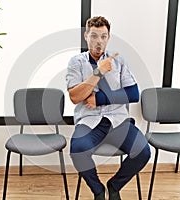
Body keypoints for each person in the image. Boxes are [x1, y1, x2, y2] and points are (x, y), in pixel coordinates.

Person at [66, 16, 150, 200]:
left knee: (143, 151)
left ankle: (114, 185)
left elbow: (133, 94)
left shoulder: (119, 61)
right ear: (86, 36)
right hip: (89, 120)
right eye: (94, 36)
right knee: (78, 150)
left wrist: (100, 98)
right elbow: (75, 96)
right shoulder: (76, 62)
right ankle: (98, 191)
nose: (99, 41)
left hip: (118, 120)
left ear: (108, 38)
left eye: (103, 36)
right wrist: (99, 72)